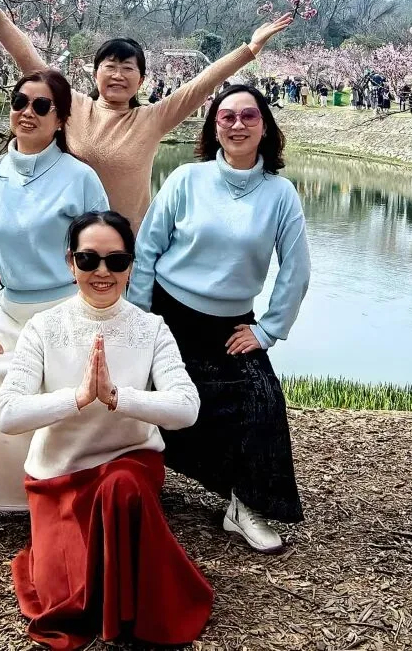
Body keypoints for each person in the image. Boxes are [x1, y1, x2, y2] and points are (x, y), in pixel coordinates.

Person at [0, 210, 212, 650]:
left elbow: (187, 408)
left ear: (131, 266)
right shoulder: (43, 327)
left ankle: (137, 612)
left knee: (122, 486)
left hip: (128, 466)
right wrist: (76, 398)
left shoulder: (151, 328)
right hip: (59, 475)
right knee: (67, 605)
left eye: (116, 261)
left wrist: (117, 397)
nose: (102, 272)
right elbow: (7, 414)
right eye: (88, 259)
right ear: (70, 263)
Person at [0, 0, 291, 229]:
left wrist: (250, 49)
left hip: (127, 249)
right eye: (110, 66)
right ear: (95, 74)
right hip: (69, 246)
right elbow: (29, 61)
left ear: (141, 80)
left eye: (128, 68)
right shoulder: (74, 106)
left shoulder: (152, 119)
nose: (118, 75)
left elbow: (201, 84)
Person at [130, 85, 310, 553]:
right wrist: (139, 319)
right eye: (226, 116)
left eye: (249, 115)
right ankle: (131, 483)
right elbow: (147, 250)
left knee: (262, 403)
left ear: (265, 126)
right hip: (169, 313)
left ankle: (244, 505)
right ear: (214, 127)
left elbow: (296, 269)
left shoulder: (281, 194)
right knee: (153, 396)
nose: (237, 124)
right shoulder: (186, 180)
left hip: (232, 325)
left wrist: (268, 330)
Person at [0, 70, 109, 536]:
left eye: (41, 106)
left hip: (69, 314)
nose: (27, 113)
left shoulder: (81, 178)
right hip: (10, 315)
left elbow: (104, 255)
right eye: (20, 102)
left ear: (60, 118)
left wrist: (104, 319)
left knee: (60, 396)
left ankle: (60, 496)